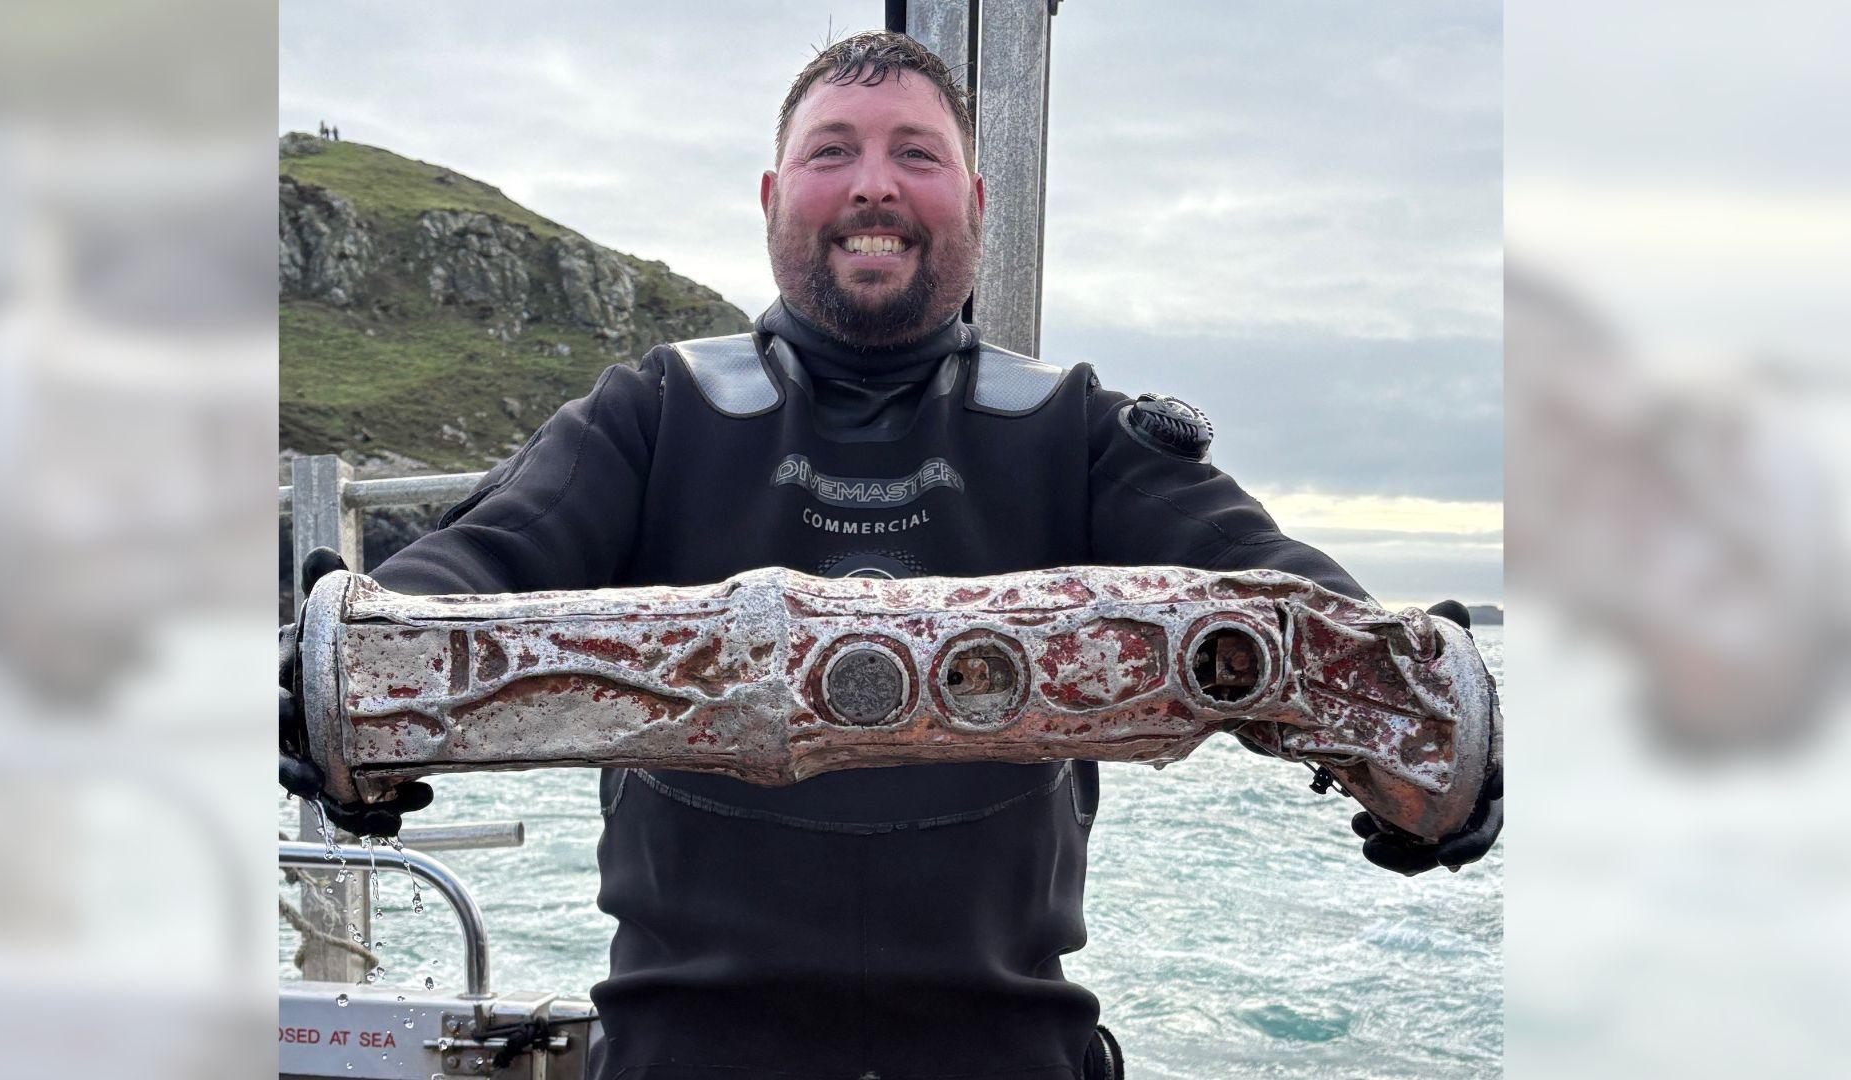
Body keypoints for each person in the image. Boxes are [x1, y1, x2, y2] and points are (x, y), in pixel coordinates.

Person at [280, 31, 1500, 1080]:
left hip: (1007, 1046)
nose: (875, 186)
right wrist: (344, 670)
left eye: (916, 154)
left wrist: (1423, 706)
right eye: (834, 153)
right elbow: (478, 562)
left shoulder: (1075, 428)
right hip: (684, 1048)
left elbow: (1272, 588)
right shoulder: (654, 412)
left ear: (975, 200)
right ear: (771, 198)